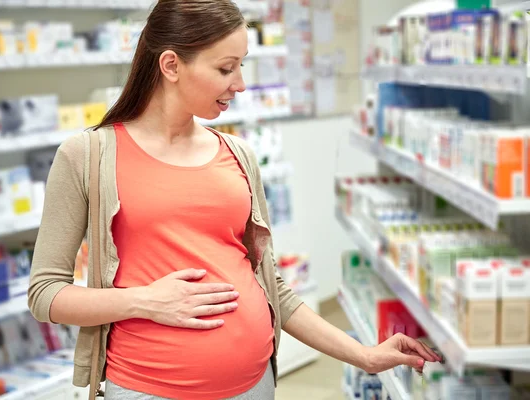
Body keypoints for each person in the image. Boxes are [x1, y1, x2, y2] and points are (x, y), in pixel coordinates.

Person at [28, 1, 440, 399]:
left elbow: (271, 285)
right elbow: (45, 294)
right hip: (149, 388)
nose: (240, 83)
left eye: (241, 65)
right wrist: (145, 301)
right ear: (171, 65)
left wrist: (364, 356)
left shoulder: (237, 155)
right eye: (226, 68)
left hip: (255, 383)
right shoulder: (87, 156)